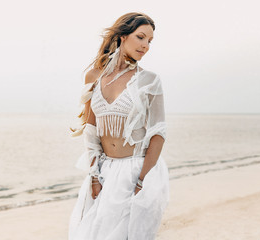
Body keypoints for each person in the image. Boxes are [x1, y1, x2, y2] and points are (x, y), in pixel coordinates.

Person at [69, 12, 169, 240]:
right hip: (104, 171)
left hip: (137, 170)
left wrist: (142, 181)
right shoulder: (93, 76)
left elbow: (158, 133)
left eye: (150, 41)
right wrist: (94, 176)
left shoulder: (150, 80)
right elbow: (91, 129)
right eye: (140, 37)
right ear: (123, 36)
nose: (145, 46)